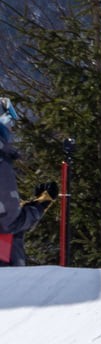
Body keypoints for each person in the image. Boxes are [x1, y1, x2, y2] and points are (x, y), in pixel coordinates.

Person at [0, 99, 55, 268]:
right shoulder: (1, 164)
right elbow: (9, 222)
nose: (11, 127)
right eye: (9, 119)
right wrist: (40, 205)